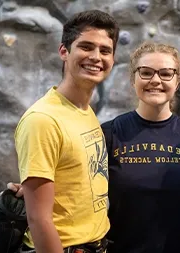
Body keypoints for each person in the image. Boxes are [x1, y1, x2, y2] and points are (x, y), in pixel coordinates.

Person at [13, 10, 119, 253]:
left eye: (105, 50)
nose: (96, 57)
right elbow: (39, 220)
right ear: (64, 51)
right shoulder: (43, 119)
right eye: (86, 47)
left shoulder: (84, 111)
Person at [101, 41, 180, 253]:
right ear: (133, 78)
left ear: (178, 81)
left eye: (166, 73)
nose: (155, 80)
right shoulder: (108, 134)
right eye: (146, 72)